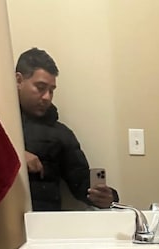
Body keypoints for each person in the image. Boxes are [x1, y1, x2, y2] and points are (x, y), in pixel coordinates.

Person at [15, 48, 118, 211]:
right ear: (19, 80)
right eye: (40, 87)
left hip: (44, 225)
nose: (47, 96)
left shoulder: (62, 134)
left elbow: (82, 184)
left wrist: (107, 198)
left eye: (51, 90)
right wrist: (16, 155)